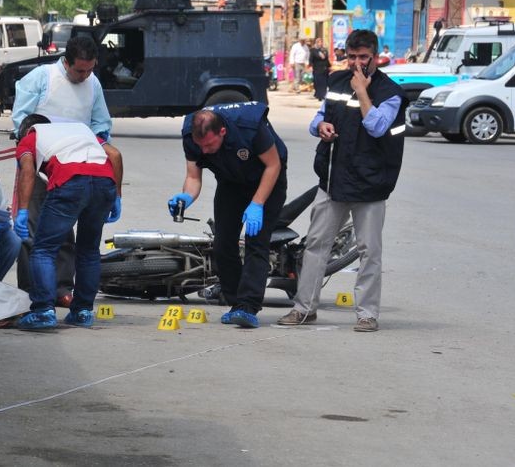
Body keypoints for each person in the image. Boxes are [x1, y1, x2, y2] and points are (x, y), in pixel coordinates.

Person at [277, 29, 407, 333]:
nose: (357, 63)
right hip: (333, 180)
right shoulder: (335, 82)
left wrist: (362, 91)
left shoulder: (390, 93)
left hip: (371, 184)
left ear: (376, 57)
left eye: (363, 57)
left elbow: (376, 127)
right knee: (315, 246)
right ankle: (304, 308)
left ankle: (367, 314)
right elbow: (316, 119)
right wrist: (320, 125)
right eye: (352, 57)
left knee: (369, 251)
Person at [11, 35, 112, 307]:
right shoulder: (41, 78)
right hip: (41, 164)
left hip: (74, 168)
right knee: (32, 231)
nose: (85, 75)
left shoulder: (93, 84)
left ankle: (62, 288)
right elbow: (21, 121)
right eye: (80, 70)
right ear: (66, 62)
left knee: (66, 233)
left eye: (90, 69)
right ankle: (31, 290)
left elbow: (102, 123)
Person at [168, 103, 287, 329]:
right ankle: (235, 302)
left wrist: (257, 203)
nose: (204, 151)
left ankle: (248, 306)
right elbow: (193, 177)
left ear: (222, 132)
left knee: (256, 241)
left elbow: (273, 165)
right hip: (231, 182)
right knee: (223, 242)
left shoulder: (249, 127)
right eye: (200, 145)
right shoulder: (192, 136)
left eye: (209, 145)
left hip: (266, 178)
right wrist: (185, 197)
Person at [13, 115, 122, 329]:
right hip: (104, 182)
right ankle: (82, 311)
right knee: (89, 250)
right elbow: (115, 155)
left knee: (43, 249)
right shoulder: (81, 131)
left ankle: (43, 311)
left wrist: (23, 210)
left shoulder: (30, 137)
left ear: (26, 132)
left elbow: (27, 171)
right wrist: (117, 196)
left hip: (70, 181)